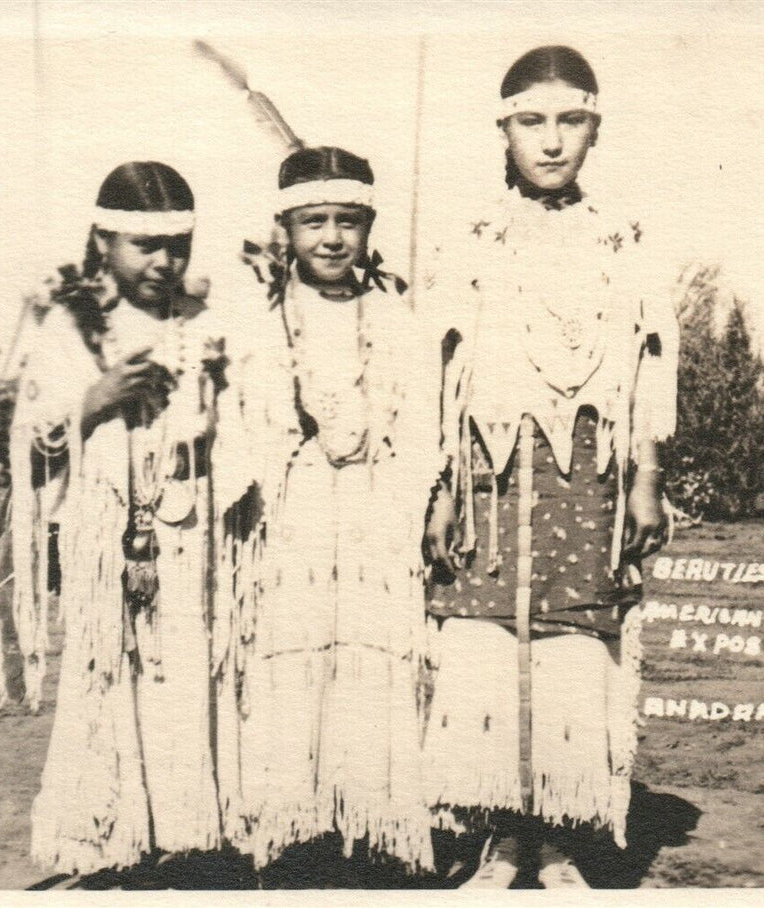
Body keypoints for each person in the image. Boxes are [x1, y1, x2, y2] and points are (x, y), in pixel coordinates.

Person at [421, 46, 679, 888]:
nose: (551, 140)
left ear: (594, 128)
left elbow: (648, 365)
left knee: (573, 641)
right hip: (488, 471)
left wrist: (644, 477)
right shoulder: (470, 236)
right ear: (503, 130)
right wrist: (438, 489)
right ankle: (498, 837)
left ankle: (562, 838)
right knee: (485, 644)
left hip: (585, 467)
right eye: (531, 121)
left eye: (570, 120)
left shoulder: (624, 237)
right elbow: (438, 374)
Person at [225, 146, 439, 875]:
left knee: (371, 665)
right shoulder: (262, 318)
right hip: (293, 517)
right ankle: (291, 828)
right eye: (312, 221)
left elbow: (419, 424)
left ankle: (374, 828)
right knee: (293, 662)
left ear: (368, 227)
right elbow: (245, 423)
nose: (330, 237)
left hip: (376, 514)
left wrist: (407, 505)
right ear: (283, 229)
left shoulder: (396, 316)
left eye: (347, 221)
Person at [29, 161, 241, 875]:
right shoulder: (70, 328)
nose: (163, 262)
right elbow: (35, 433)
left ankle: (184, 837)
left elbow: (239, 427)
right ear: (103, 243)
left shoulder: (204, 325)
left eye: (177, 245)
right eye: (144, 246)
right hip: (109, 536)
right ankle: (111, 842)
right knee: (111, 671)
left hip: (193, 533)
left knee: (185, 675)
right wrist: (98, 395)